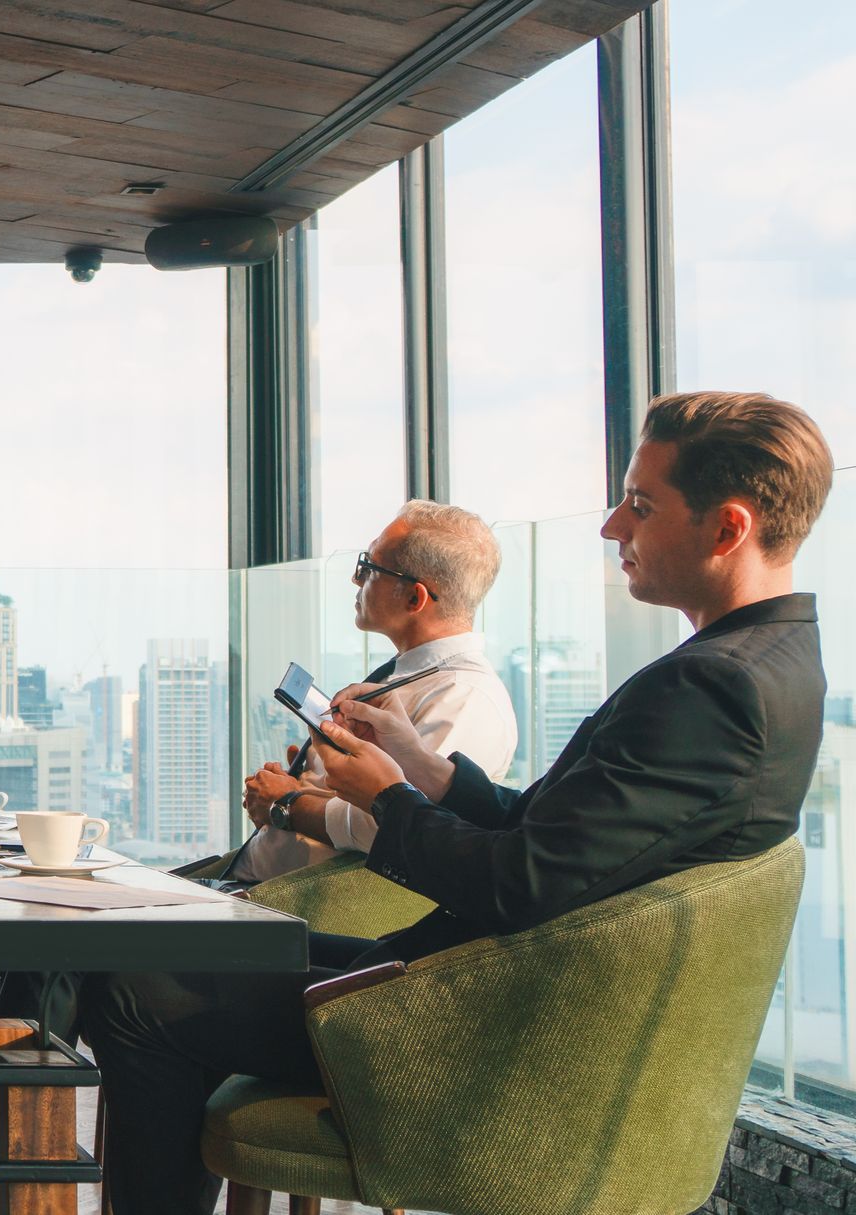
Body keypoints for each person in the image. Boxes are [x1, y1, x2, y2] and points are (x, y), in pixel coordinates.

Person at [83, 391, 833, 1214]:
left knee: (135, 988)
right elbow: (560, 836)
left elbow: (516, 883)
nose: (612, 526)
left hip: (477, 1024)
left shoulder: (707, 686)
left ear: (727, 528)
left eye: (641, 504)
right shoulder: (775, 664)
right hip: (492, 985)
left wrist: (389, 796)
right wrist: (425, 769)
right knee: (179, 956)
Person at [227, 500, 517, 883]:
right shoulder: (412, 675)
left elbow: (395, 822)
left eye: (369, 567)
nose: (356, 579)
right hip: (256, 886)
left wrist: (284, 803)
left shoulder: (464, 698)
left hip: (294, 911)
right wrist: (315, 778)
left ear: (415, 598)